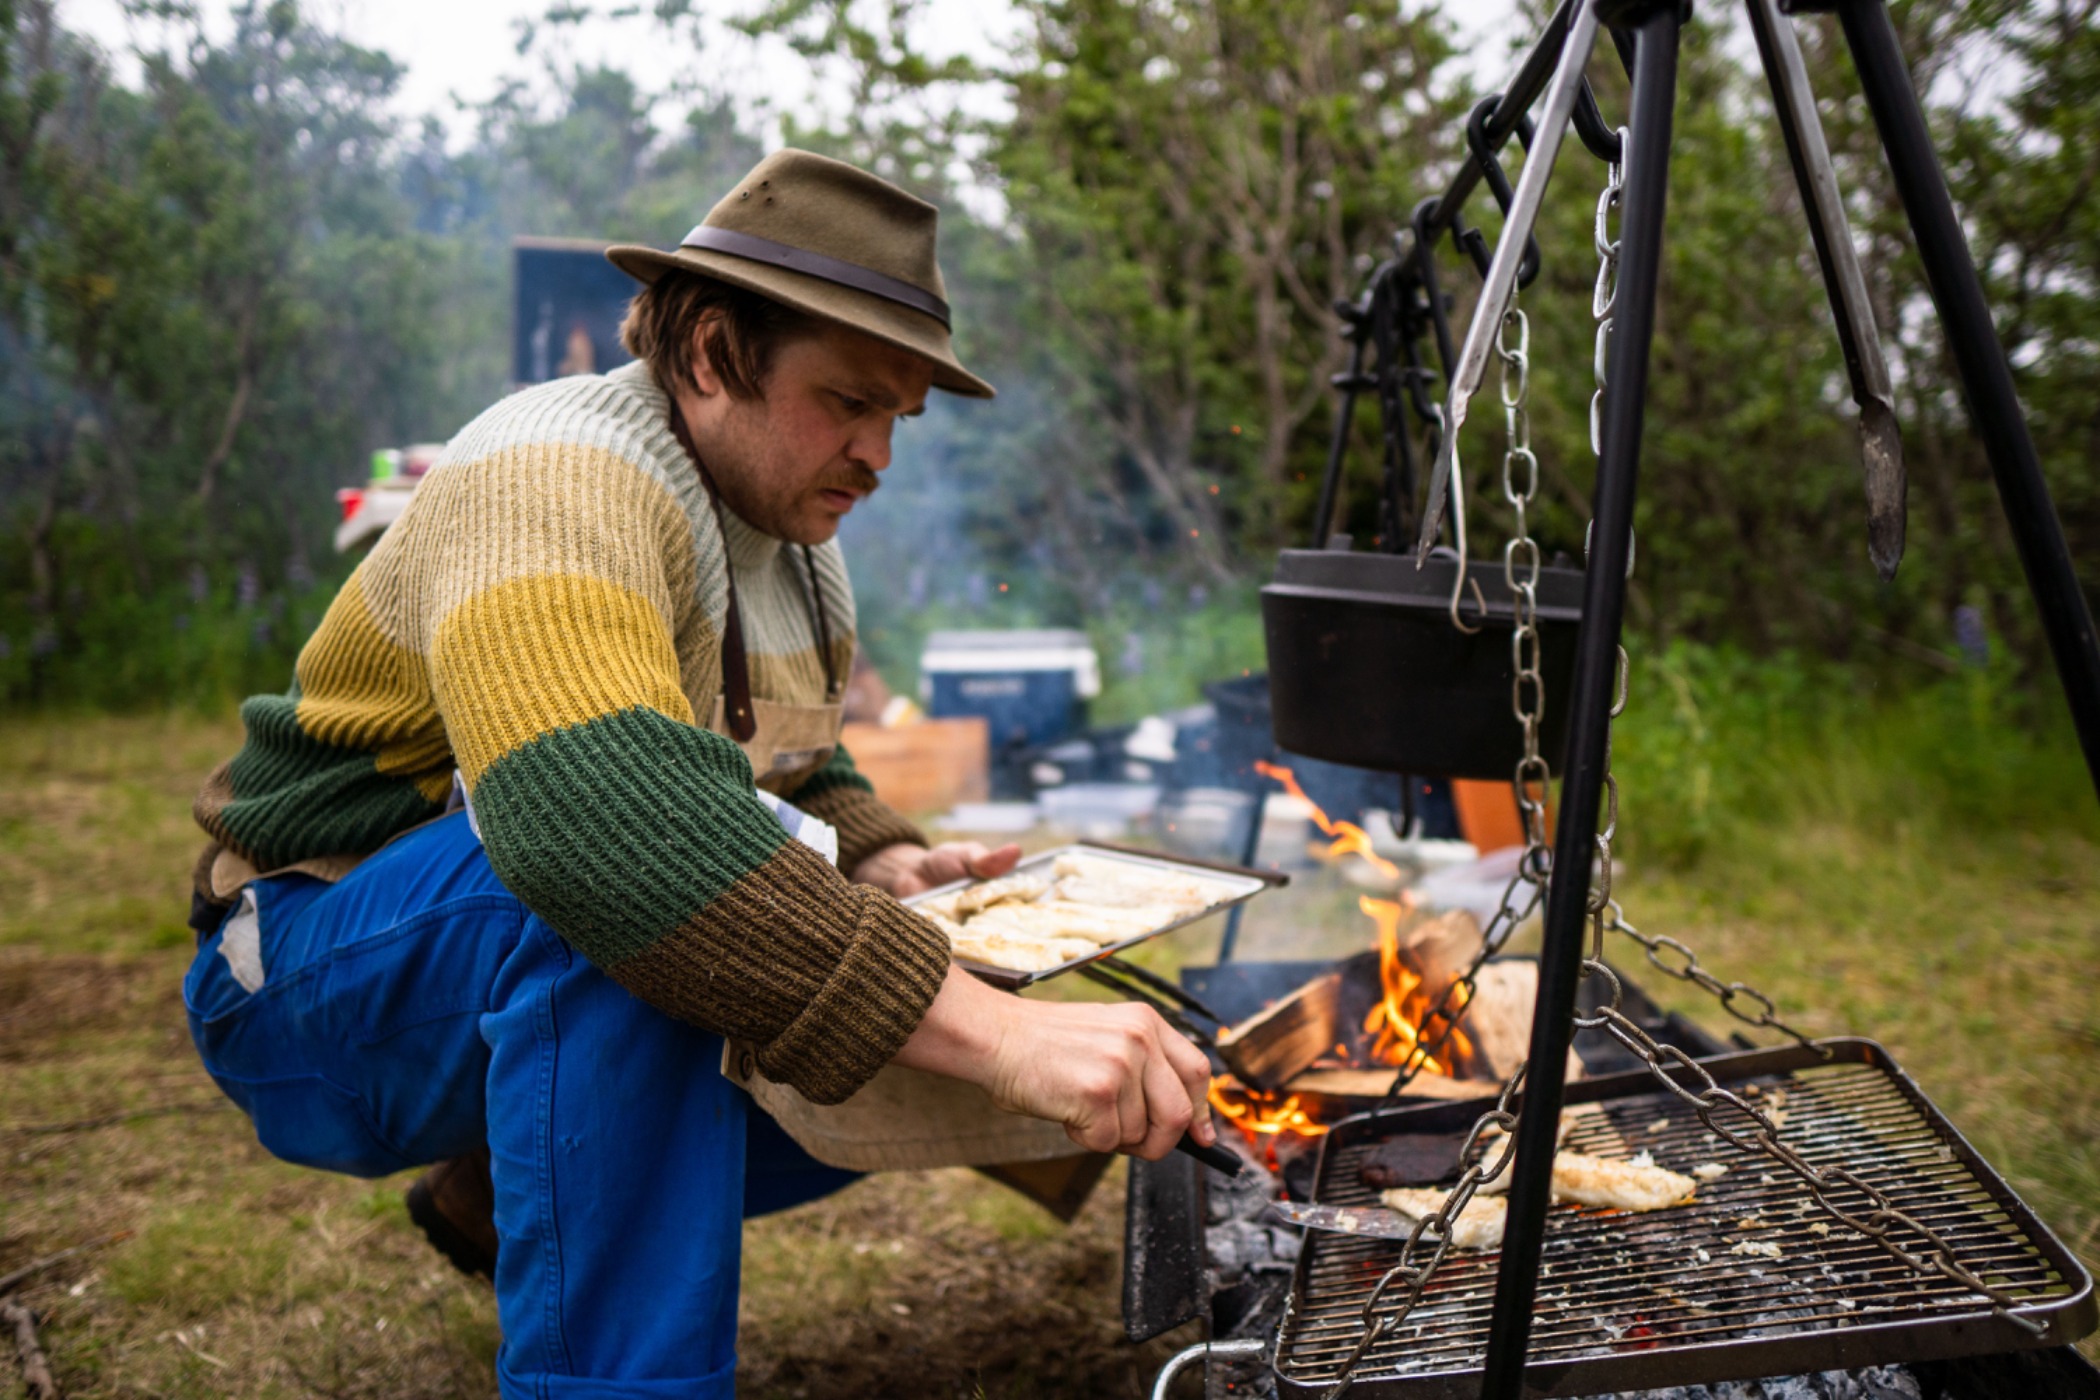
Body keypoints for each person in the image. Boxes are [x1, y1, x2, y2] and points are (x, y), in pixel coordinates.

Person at [181, 149, 1216, 1399]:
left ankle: (509, 1182)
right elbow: (588, 821)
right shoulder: (549, 471)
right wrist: (995, 1031)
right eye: (850, 400)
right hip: (296, 967)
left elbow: (791, 762)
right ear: (715, 353)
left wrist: (886, 857)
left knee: (815, 949)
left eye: (899, 415)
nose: (880, 451)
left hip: (460, 960)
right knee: (633, 894)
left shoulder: (794, 541)